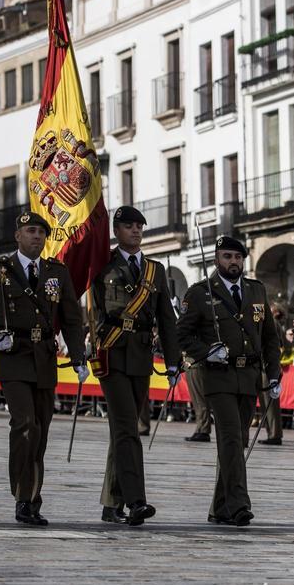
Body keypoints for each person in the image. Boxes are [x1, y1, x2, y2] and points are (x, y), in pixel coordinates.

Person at [0, 210, 87, 526]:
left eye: (41, 232)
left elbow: (72, 319)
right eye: (31, 231)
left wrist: (78, 356)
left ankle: (33, 497)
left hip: (45, 358)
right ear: (18, 236)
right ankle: (23, 497)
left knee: (42, 430)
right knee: (25, 425)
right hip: (13, 357)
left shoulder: (57, 272)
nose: (37, 236)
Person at [175, 235, 282, 527]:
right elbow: (181, 334)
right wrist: (206, 352)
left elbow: (270, 337)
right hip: (219, 377)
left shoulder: (256, 291)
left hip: (249, 377)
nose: (233, 262)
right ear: (216, 259)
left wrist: (274, 373)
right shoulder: (200, 293)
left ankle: (219, 508)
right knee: (232, 438)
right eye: (227, 257)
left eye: (237, 257)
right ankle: (239, 505)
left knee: (239, 440)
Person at [90, 206, 180, 526]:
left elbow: (167, 321)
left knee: (123, 431)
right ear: (116, 230)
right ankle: (136, 501)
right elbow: (93, 309)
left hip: (141, 357)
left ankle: (110, 502)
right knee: (129, 428)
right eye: (129, 226)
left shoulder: (154, 270)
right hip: (112, 355)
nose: (136, 231)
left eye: (140, 226)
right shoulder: (101, 264)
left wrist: (173, 362)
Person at [257, 303, 289, 446]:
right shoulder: (271, 323)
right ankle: (271, 433)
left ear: (275, 312)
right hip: (263, 366)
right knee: (265, 403)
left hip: (268, 366)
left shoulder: (273, 323)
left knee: (270, 403)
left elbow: (275, 345)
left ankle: (275, 434)